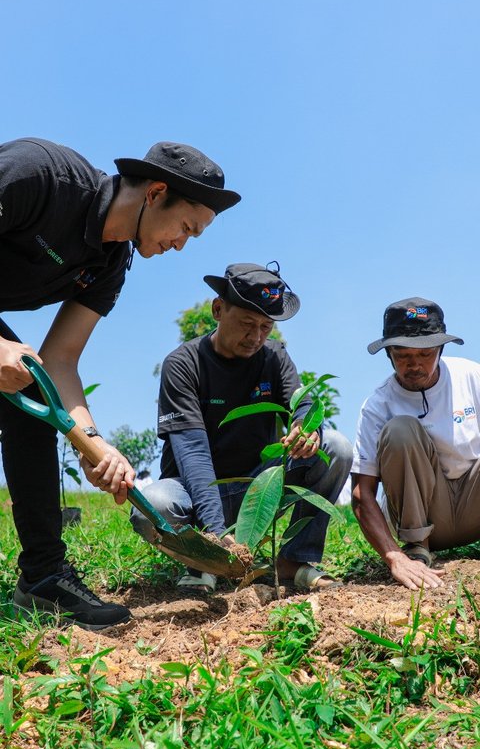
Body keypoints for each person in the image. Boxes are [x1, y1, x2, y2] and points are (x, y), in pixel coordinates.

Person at [0, 137, 240, 629]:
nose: (181, 244)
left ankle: (44, 579)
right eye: (186, 228)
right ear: (154, 194)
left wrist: (95, 447)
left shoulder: (109, 266)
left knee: (30, 383)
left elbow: (60, 361)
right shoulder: (39, 177)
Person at [131, 262, 353, 594]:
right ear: (218, 309)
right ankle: (203, 560)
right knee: (153, 505)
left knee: (335, 447)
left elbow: (302, 401)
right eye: (247, 324)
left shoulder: (274, 357)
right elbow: (193, 454)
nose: (256, 337)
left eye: (266, 327)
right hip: (193, 492)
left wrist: (305, 427)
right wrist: (216, 532)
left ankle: (295, 561)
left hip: (257, 488)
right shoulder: (183, 365)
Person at [351, 296, 480, 590]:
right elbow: (361, 493)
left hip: (474, 505)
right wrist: (394, 557)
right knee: (400, 430)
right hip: (424, 521)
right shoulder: (378, 405)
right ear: (389, 354)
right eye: (403, 355)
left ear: (440, 349)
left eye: (425, 354)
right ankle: (416, 549)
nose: (414, 365)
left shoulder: (471, 376)